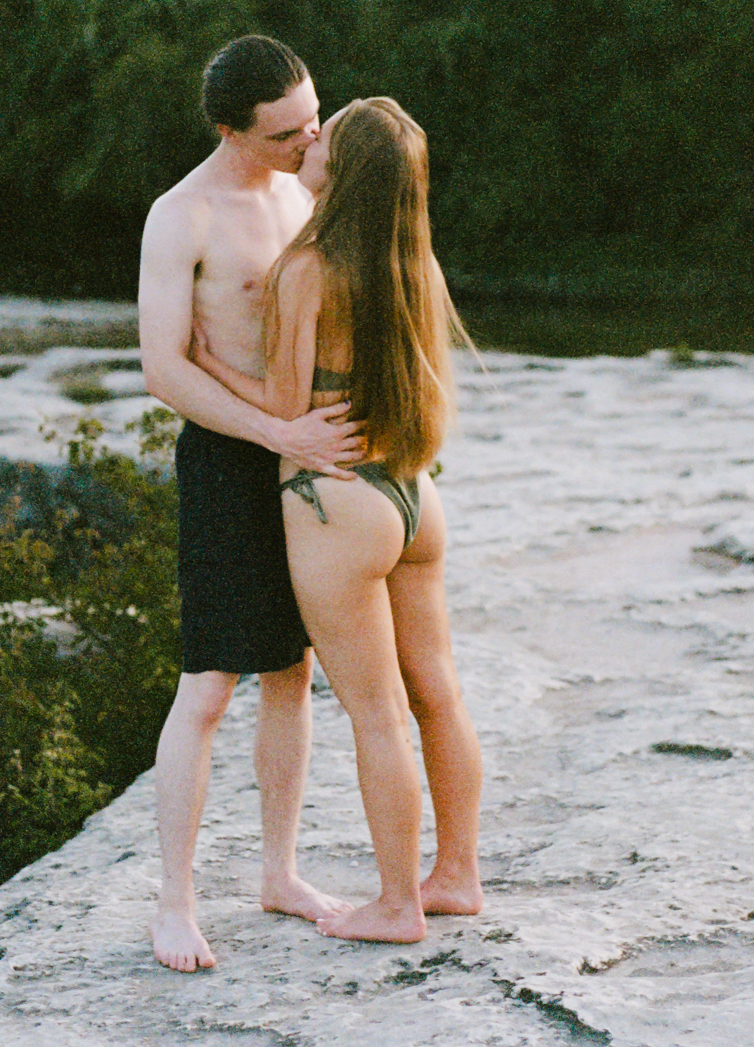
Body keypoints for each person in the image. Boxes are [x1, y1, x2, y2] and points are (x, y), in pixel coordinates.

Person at [190, 97, 485, 944]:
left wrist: (211, 368)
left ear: (344, 171)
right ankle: (455, 875)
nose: (312, 139)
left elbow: (287, 410)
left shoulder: (309, 265)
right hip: (411, 493)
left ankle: (397, 905)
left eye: (331, 131)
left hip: (338, 505)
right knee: (437, 692)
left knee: (376, 710)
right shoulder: (412, 259)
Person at [137, 35, 364, 973]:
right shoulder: (179, 216)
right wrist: (279, 435)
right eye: (285, 133)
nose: (309, 140)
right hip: (232, 466)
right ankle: (175, 904)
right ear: (232, 130)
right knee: (209, 686)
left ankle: (280, 873)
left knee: (292, 673)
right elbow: (163, 370)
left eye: (313, 119)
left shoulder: (308, 186)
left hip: (309, 461)